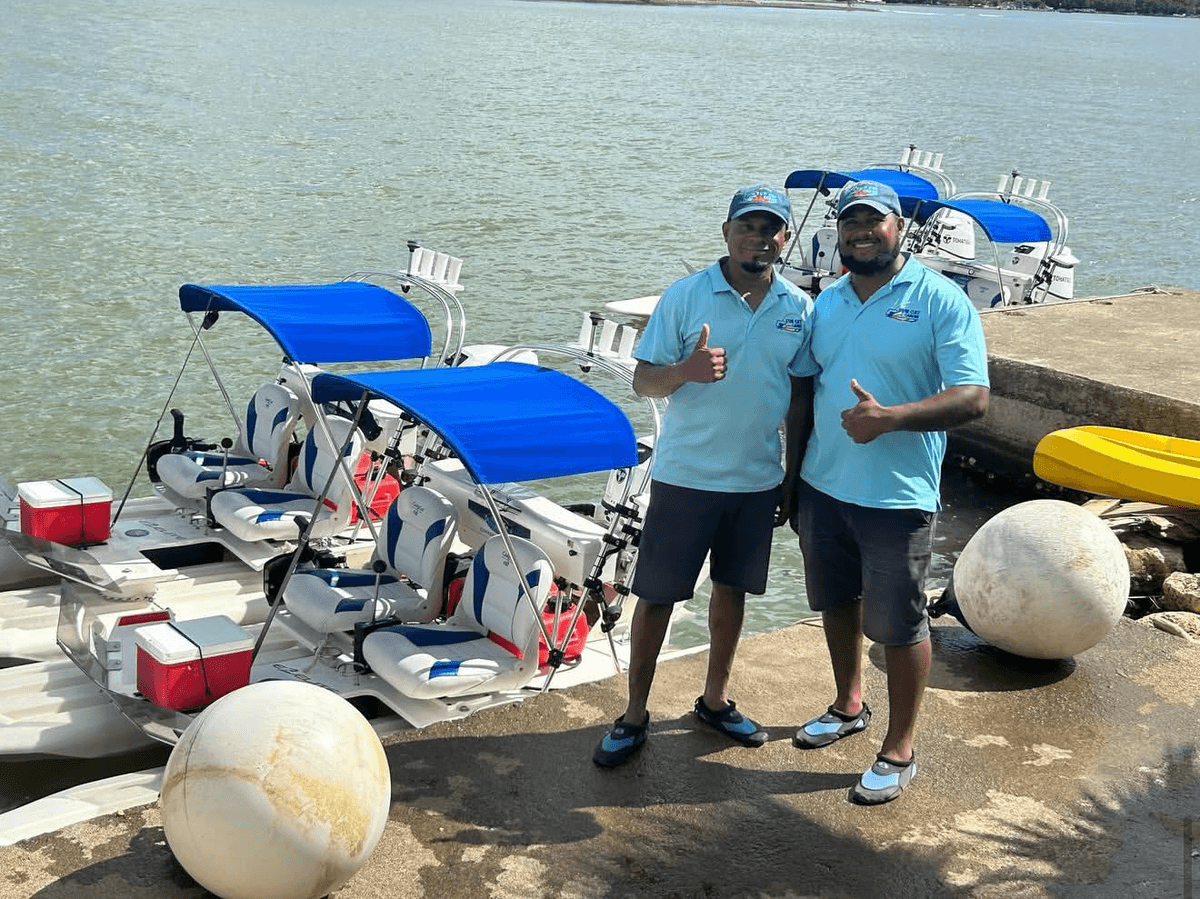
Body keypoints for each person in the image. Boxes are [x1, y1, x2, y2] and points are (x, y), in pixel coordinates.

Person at [592, 184, 815, 768]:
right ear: (726, 231)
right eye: (748, 226)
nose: (758, 238)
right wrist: (686, 370)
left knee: (732, 592)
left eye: (770, 229)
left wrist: (791, 477)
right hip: (686, 477)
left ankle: (714, 700)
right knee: (656, 597)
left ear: (785, 240)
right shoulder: (686, 296)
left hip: (758, 480)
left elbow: (799, 394)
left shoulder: (798, 308)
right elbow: (643, 381)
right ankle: (635, 713)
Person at [785, 179, 990, 804]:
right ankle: (849, 705)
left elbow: (973, 397)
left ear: (898, 228)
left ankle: (900, 750)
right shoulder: (830, 302)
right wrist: (791, 483)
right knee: (836, 601)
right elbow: (805, 393)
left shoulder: (942, 301)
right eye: (850, 222)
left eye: (873, 222)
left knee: (900, 623)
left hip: (897, 496)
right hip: (822, 487)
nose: (860, 233)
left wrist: (891, 418)